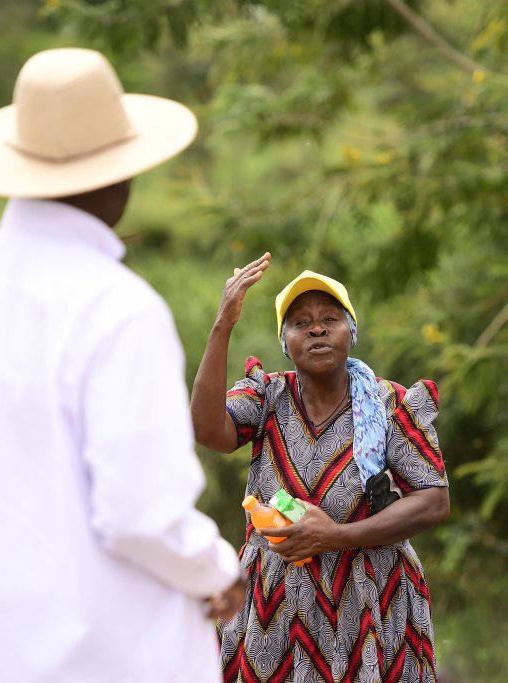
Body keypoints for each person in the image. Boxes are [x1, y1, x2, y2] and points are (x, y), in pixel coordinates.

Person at [0, 48, 245, 683]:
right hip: (98, 658)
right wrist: (217, 570)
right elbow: (141, 514)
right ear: (122, 177)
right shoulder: (119, 307)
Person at [190, 256, 450, 682]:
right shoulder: (266, 396)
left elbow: (434, 501)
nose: (316, 328)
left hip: (371, 603)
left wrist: (337, 536)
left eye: (330, 318)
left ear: (352, 332)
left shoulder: (390, 405)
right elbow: (206, 429)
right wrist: (223, 325)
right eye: (300, 322)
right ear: (284, 342)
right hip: (275, 606)